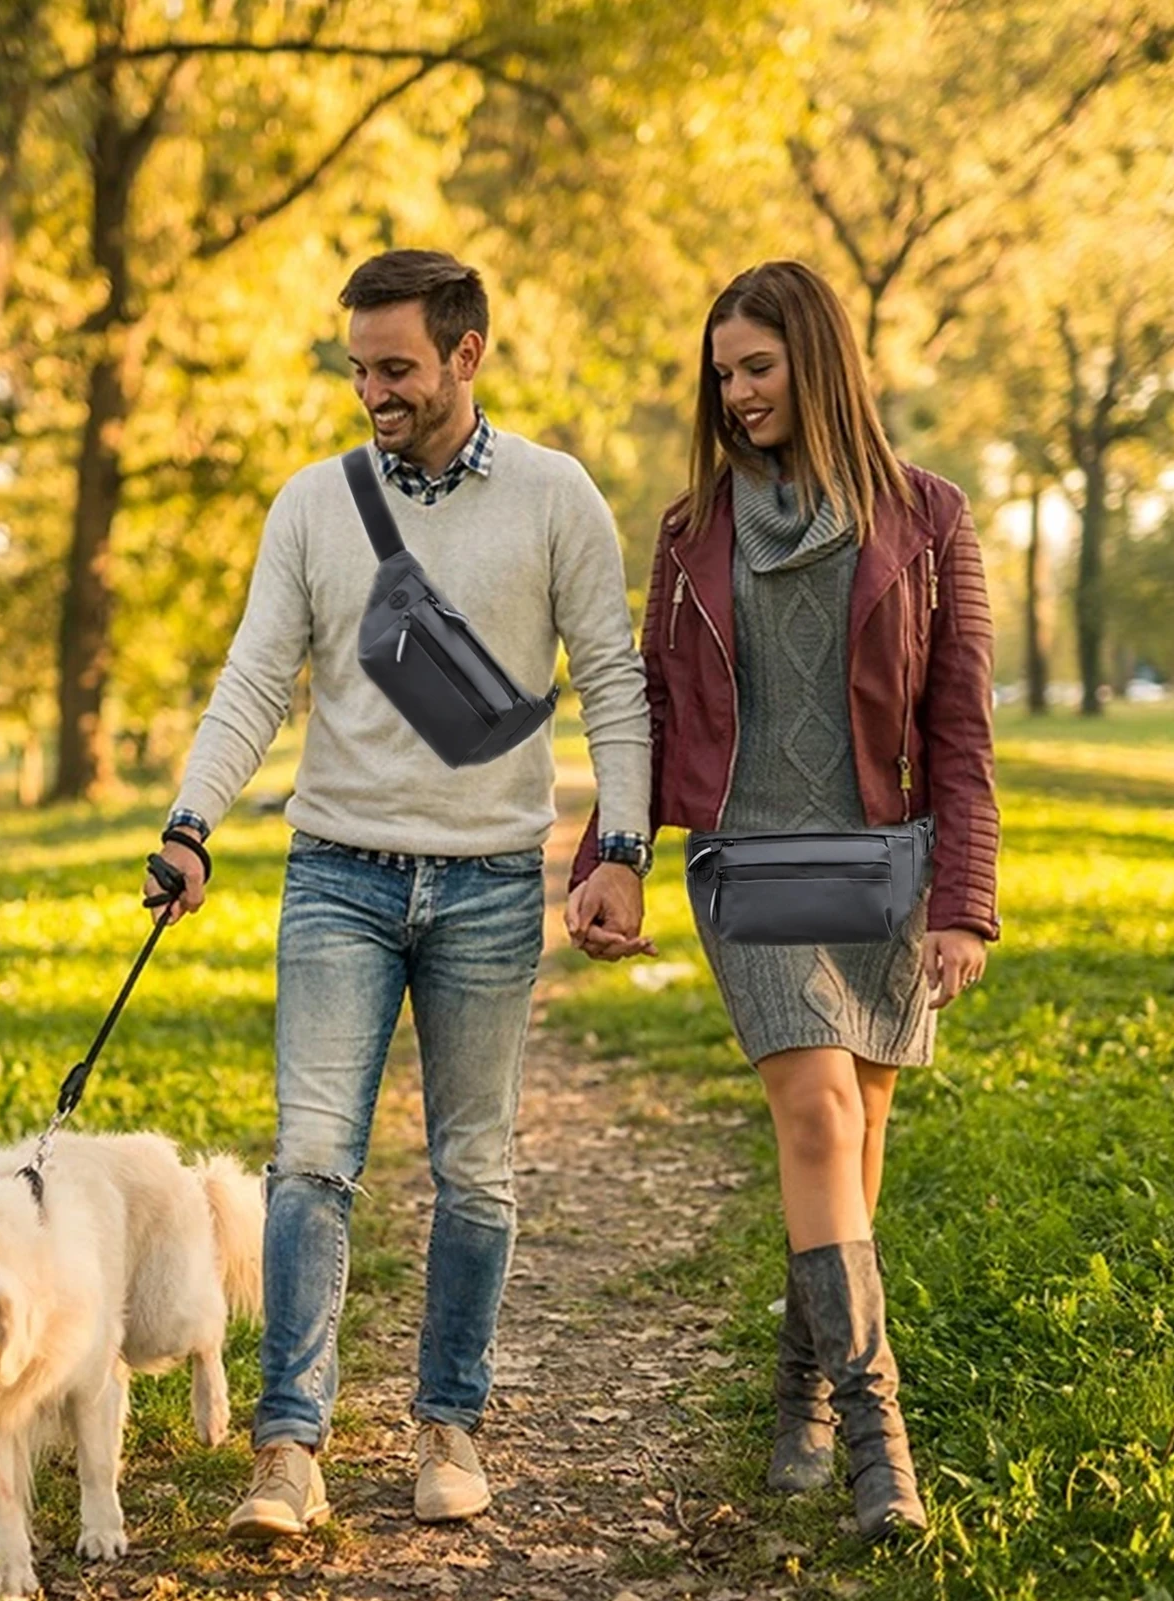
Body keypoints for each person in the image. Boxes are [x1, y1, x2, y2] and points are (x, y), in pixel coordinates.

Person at [145, 250, 657, 1538]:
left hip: (490, 880)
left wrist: (623, 848)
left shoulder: (554, 494)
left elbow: (612, 676)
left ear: (466, 354)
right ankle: (287, 1446)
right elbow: (255, 676)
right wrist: (191, 820)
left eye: (396, 368)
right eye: (357, 366)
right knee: (311, 1162)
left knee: (473, 1171)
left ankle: (447, 1421)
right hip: (338, 875)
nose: (370, 390)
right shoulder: (313, 505)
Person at [566, 260, 1000, 1542]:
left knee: (854, 1138)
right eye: (722, 375)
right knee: (814, 1110)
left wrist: (963, 898)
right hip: (746, 863)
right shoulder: (689, 529)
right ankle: (883, 1442)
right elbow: (644, 704)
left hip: (882, 868)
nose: (737, 393)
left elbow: (958, 725)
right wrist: (616, 850)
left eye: (755, 367)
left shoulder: (928, 516)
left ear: (817, 361)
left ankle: (801, 1395)